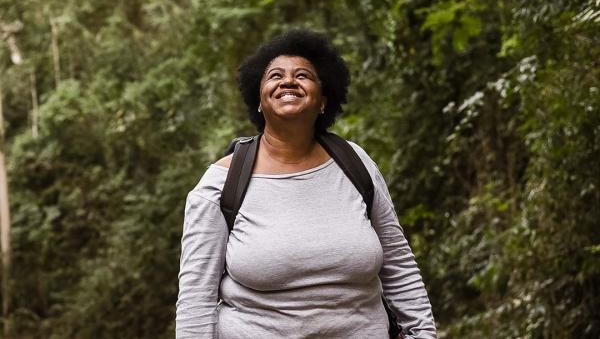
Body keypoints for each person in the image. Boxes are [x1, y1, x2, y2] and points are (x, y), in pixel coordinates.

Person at [176, 30, 437, 338]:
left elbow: (398, 264)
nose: (288, 81)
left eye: (303, 75)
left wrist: (423, 333)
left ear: (323, 101)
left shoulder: (355, 164)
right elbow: (196, 298)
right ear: (259, 101)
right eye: (274, 76)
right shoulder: (221, 183)